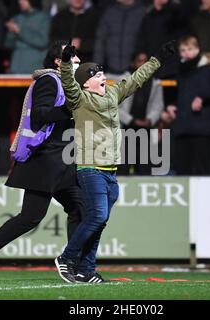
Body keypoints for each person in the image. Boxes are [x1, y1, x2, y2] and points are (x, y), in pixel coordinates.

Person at [0, 40, 85, 281]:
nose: (77, 60)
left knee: (79, 208)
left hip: (60, 160)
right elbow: (40, 114)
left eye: (77, 55)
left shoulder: (68, 83)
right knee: (31, 218)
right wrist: (71, 107)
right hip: (45, 160)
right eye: (71, 56)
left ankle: (74, 264)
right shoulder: (49, 80)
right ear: (58, 62)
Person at [54, 40, 177, 283]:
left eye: (102, 73)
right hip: (90, 168)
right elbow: (68, 82)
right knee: (97, 216)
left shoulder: (112, 94)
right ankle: (67, 258)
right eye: (97, 74)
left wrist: (157, 59)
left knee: (99, 222)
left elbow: (135, 79)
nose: (102, 76)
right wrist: (67, 62)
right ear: (85, 82)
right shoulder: (80, 99)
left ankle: (86, 270)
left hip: (110, 171)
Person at [172, 36, 210, 175]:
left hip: (202, 127)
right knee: (182, 172)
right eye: (182, 50)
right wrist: (173, 107)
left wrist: (202, 96)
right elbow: (183, 97)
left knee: (201, 171)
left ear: (198, 49)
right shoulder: (182, 73)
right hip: (183, 128)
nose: (186, 53)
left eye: (190, 49)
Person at [118, 52, 165, 175]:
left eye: (145, 61)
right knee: (123, 165)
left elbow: (158, 105)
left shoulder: (155, 82)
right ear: (133, 63)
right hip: (126, 128)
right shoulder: (124, 79)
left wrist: (150, 120)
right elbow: (116, 105)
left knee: (145, 166)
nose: (143, 64)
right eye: (139, 61)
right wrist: (131, 120)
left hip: (146, 129)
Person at [93, 0, 146, 77]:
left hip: (135, 72)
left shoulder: (143, 12)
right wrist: (97, 68)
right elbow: (100, 41)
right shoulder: (109, 12)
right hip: (109, 71)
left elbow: (147, 39)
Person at [5, 0, 50, 74]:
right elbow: (7, 44)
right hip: (16, 68)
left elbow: (42, 42)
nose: (20, 2)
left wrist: (19, 31)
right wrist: (11, 33)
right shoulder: (16, 18)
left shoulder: (43, 18)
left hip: (35, 68)